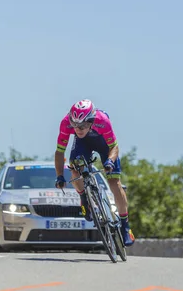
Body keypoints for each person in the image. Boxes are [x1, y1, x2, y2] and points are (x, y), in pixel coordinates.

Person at [53, 99, 134, 246]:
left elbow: (114, 146)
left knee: (114, 182)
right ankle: (84, 197)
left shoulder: (102, 120)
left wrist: (109, 161)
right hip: (82, 144)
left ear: (91, 120)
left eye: (83, 125)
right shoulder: (66, 123)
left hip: (104, 145)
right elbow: (59, 152)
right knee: (75, 168)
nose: (78, 128)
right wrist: (59, 175)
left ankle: (125, 225)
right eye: (75, 124)